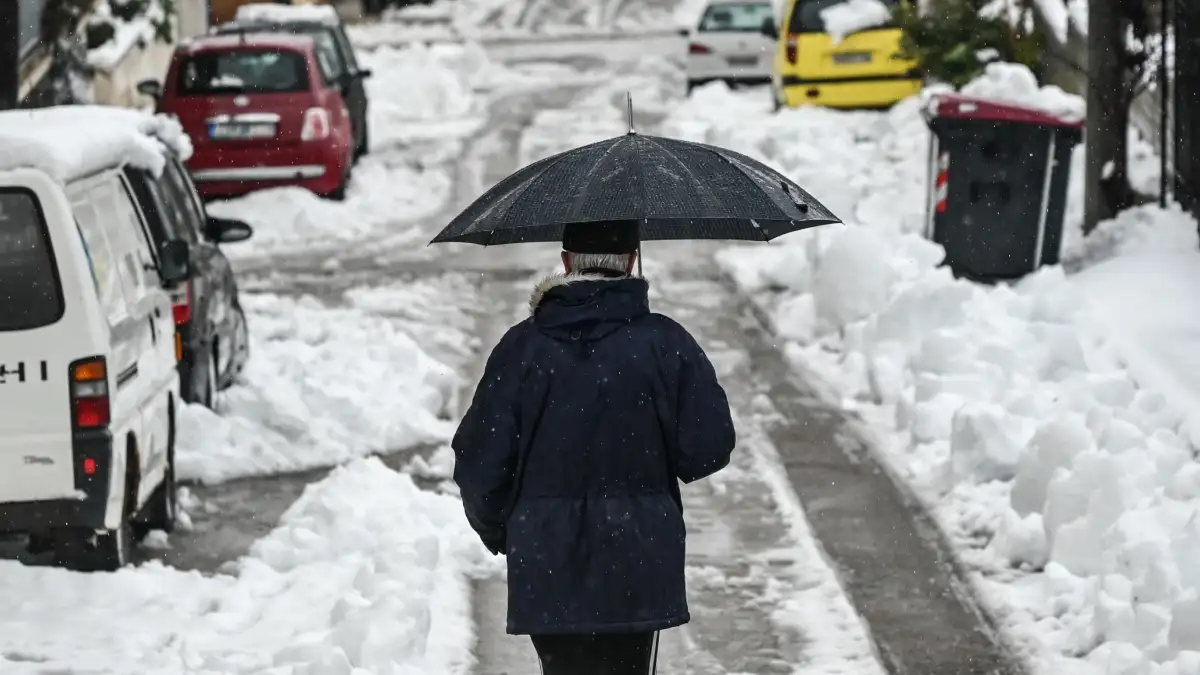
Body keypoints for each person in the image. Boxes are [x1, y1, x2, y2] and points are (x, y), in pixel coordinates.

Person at [452, 220, 737, 675]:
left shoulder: (520, 349)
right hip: (638, 561)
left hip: (547, 561)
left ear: (566, 264)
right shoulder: (665, 344)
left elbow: (479, 463)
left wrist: (507, 531)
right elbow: (708, 447)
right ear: (630, 262)